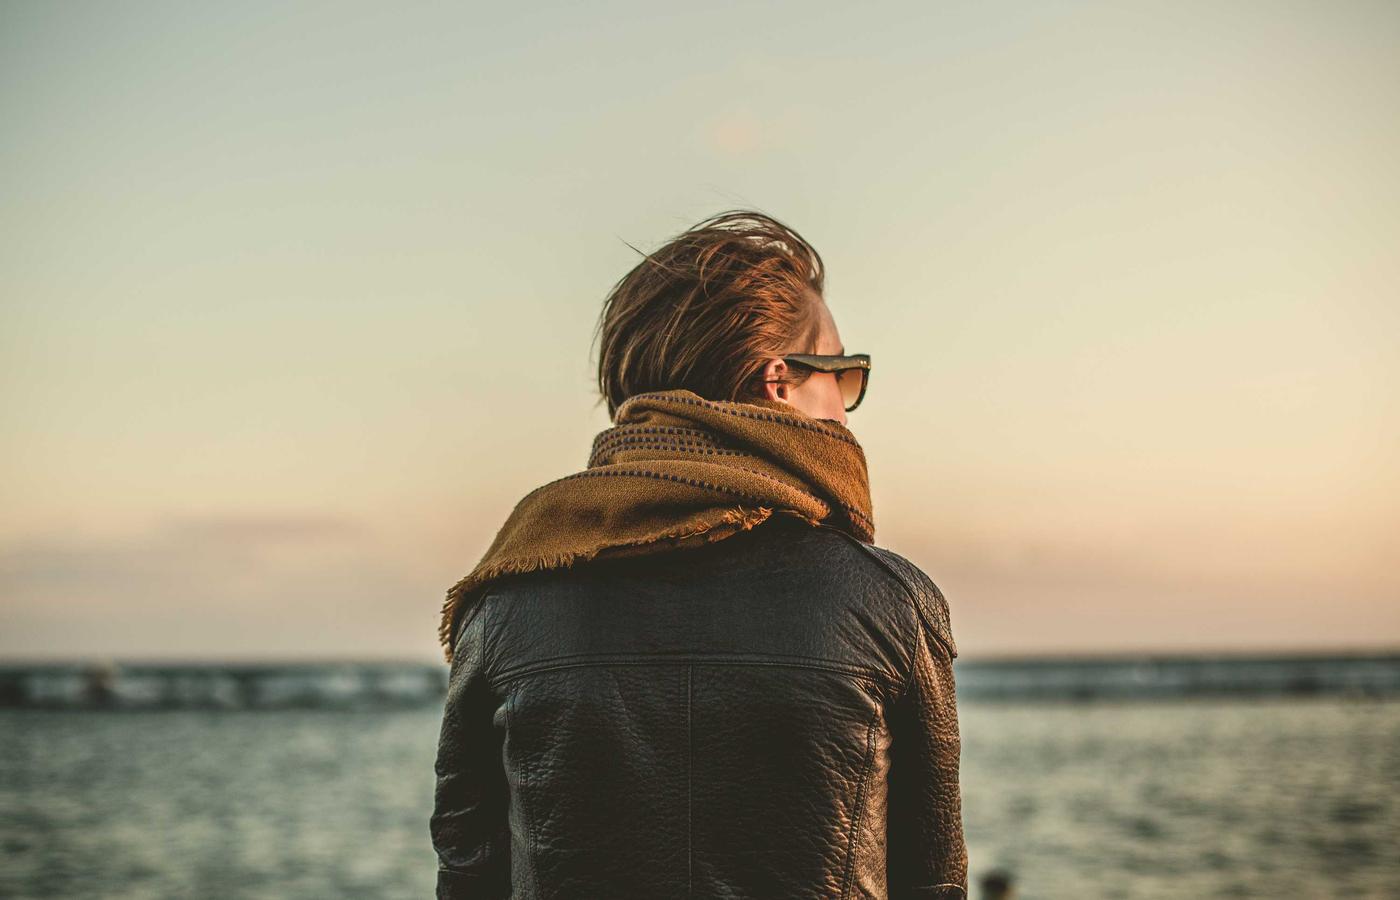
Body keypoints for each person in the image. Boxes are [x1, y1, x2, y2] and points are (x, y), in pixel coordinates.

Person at [430, 210, 968, 899]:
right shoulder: (888, 603)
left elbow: (467, 873)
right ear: (781, 381)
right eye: (844, 374)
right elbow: (934, 884)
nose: (844, 407)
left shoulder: (501, 605)